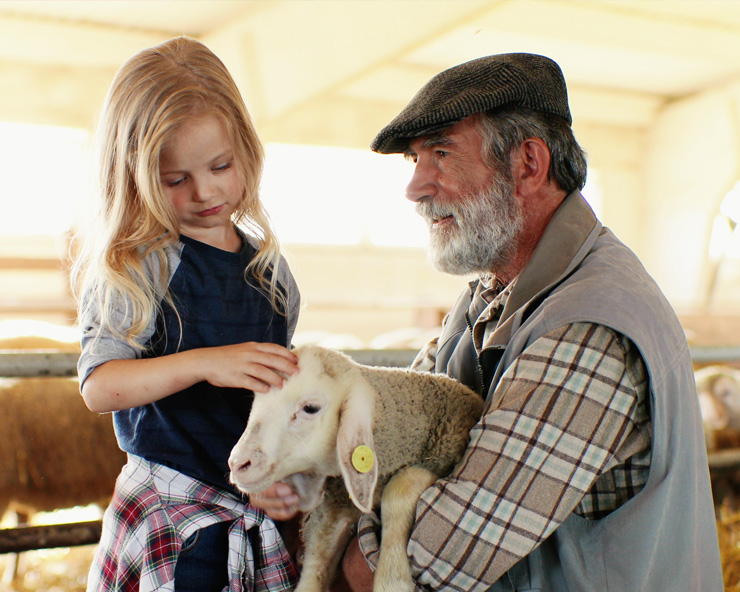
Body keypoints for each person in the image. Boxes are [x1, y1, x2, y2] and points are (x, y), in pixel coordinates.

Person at [335, 53, 724, 590]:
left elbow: (431, 561)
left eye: (442, 154)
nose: (415, 187)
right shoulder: (490, 298)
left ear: (528, 164)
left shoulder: (590, 324)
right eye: (415, 160)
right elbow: (392, 428)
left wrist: (330, 545)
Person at [72, 36, 301, 592]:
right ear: (136, 174)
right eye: (177, 180)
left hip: (245, 508)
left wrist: (278, 474)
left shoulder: (270, 274)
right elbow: (100, 386)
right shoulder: (139, 265)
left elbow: (273, 398)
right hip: (172, 508)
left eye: (221, 166)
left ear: (246, 150)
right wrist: (204, 363)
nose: (205, 192)